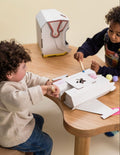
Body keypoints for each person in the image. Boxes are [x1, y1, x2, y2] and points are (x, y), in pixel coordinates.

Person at [0, 40, 60, 155]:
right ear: (10, 74)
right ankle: (32, 147)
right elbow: (19, 101)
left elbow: (30, 78)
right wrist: (44, 90)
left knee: (39, 119)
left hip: (17, 122)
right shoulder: (4, 90)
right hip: (13, 134)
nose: (26, 69)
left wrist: (46, 82)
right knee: (47, 143)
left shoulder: (15, 77)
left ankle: (30, 149)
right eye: (23, 66)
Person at [74, 6, 120, 137]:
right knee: (109, 96)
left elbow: (119, 70)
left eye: (118, 34)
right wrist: (82, 51)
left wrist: (101, 70)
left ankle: (116, 125)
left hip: (116, 71)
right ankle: (110, 118)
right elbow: (93, 43)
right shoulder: (106, 35)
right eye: (111, 30)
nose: (112, 36)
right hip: (111, 72)